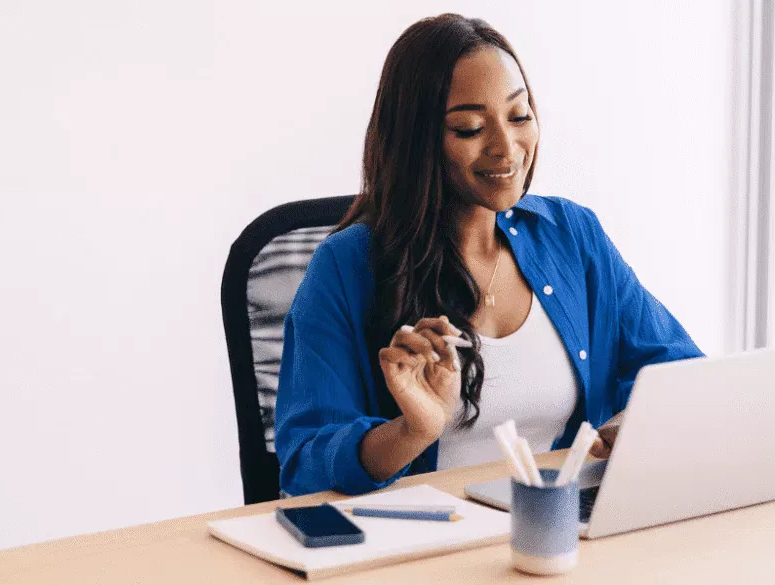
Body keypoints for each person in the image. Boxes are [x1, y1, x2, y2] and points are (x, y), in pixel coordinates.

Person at [274, 13, 703, 496]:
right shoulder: (345, 267)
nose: (507, 147)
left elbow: (681, 370)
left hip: (558, 536)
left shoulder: (571, 235)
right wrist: (412, 431)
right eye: (470, 128)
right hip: (425, 550)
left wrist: (634, 422)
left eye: (519, 116)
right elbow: (304, 465)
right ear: (420, 141)